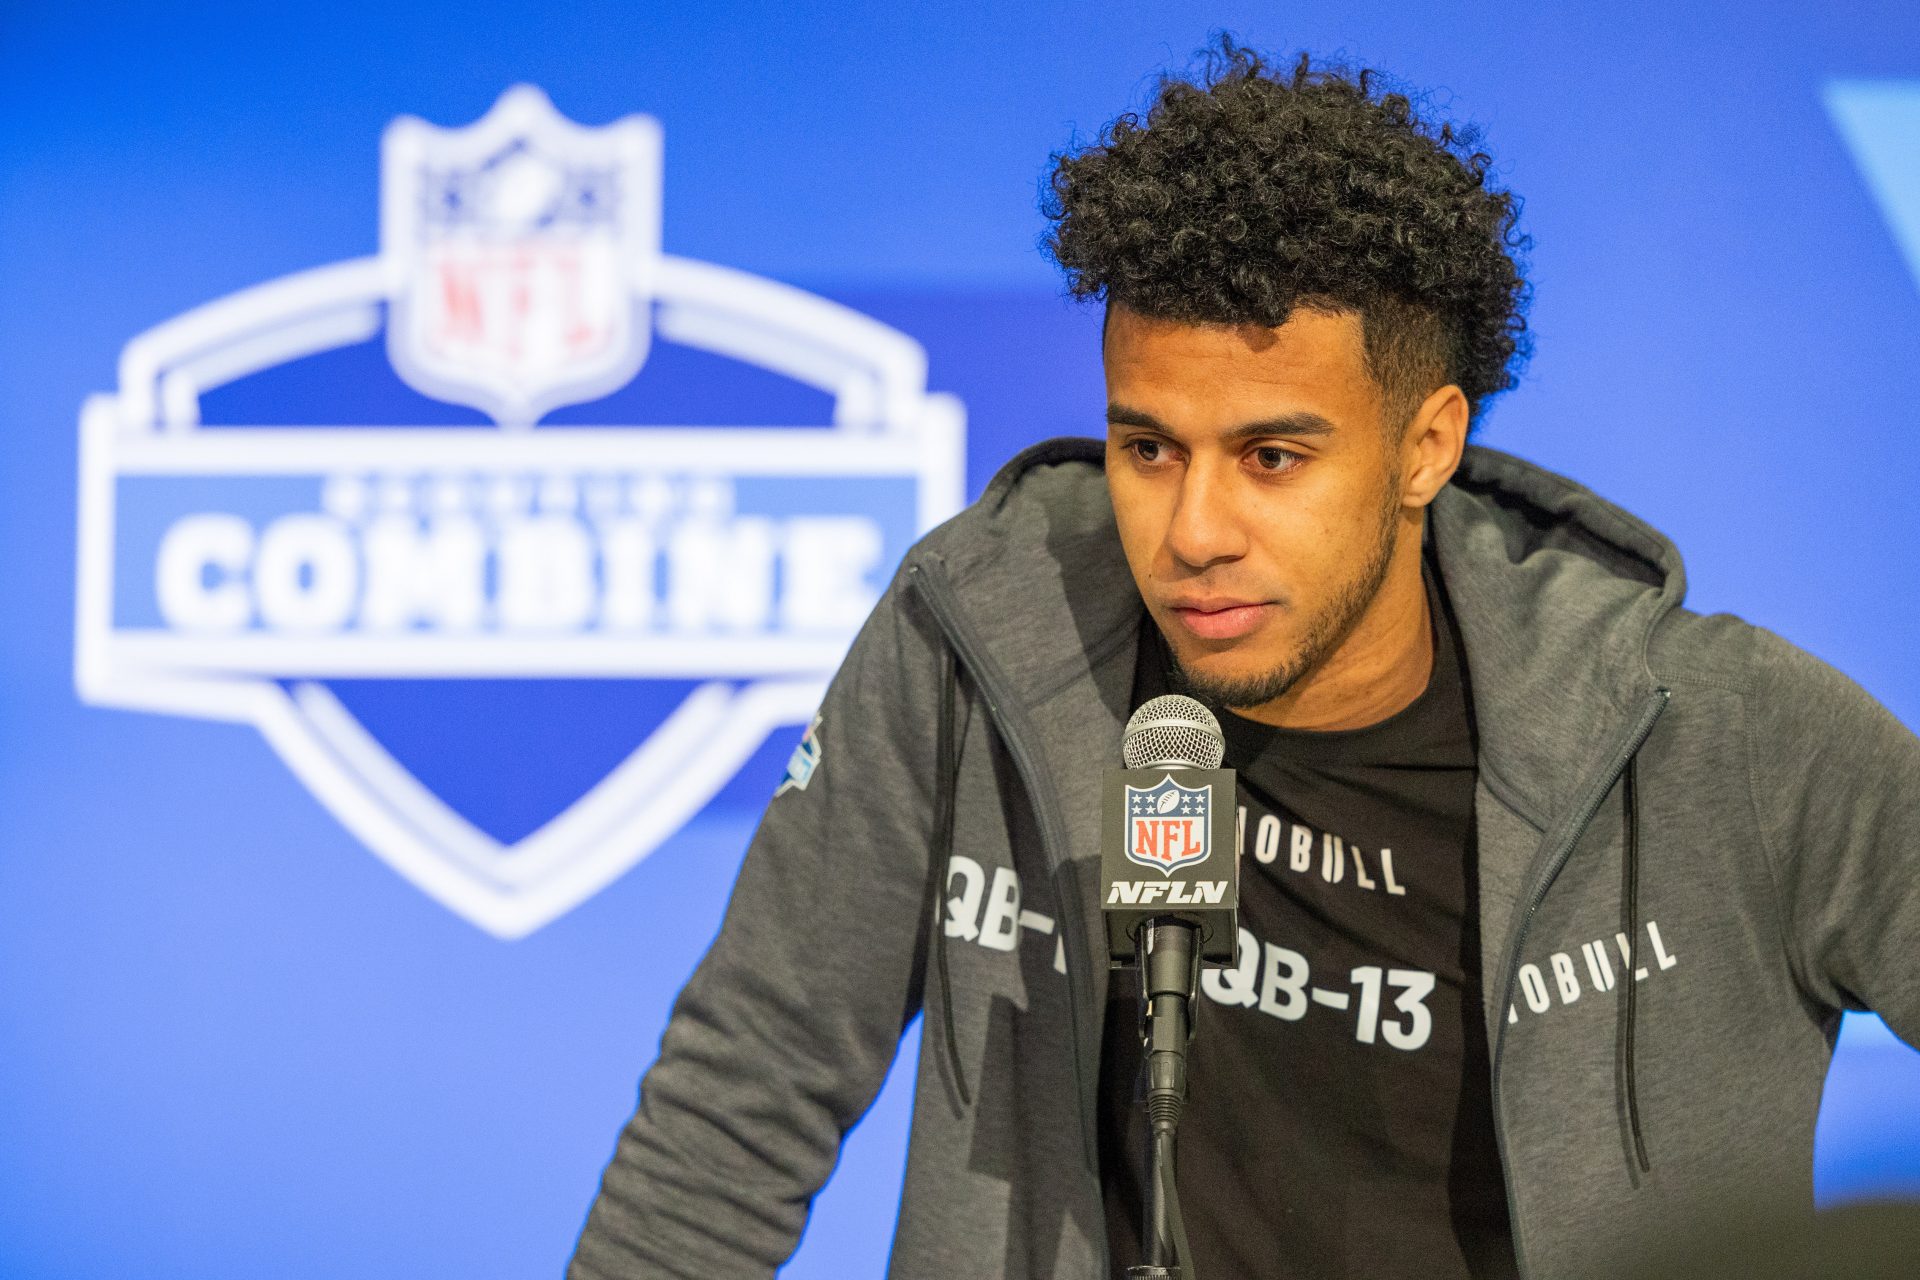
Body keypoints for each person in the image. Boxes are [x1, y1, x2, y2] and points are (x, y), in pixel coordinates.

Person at [568, 40, 1920, 1280]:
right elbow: (741, 1101)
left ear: (1425, 447)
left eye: (1273, 458)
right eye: (1148, 448)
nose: (1193, 533)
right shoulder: (980, 637)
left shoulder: (1722, 737)